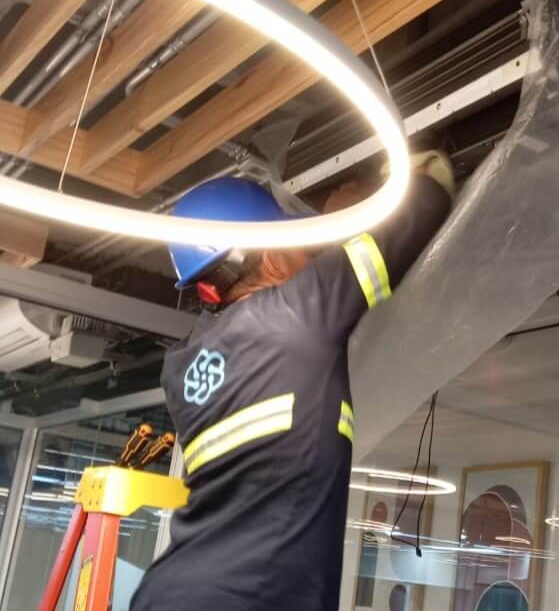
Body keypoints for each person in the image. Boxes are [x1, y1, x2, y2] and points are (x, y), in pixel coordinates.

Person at [131, 151, 454, 610]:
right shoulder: (296, 316)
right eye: (306, 248)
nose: (316, 260)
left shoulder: (180, 367)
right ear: (275, 262)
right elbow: (423, 207)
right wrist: (402, 183)